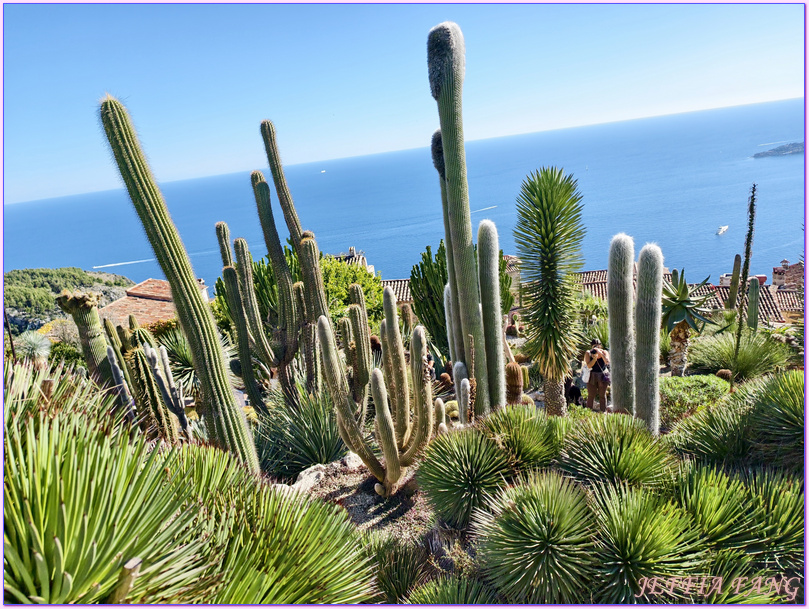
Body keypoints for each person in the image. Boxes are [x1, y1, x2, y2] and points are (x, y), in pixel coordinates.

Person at [583, 338, 610, 412]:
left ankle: (603, 411)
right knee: (591, 395)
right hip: (592, 375)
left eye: (598, 346)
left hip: (602, 375)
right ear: (592, 346)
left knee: (602, 395)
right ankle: (588, 412)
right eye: (595, 346)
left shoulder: (604, 352)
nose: (597, 348)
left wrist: (600, 353)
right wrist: (594, 359)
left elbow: (607, 362)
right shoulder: (588, 353)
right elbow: (589, 366)